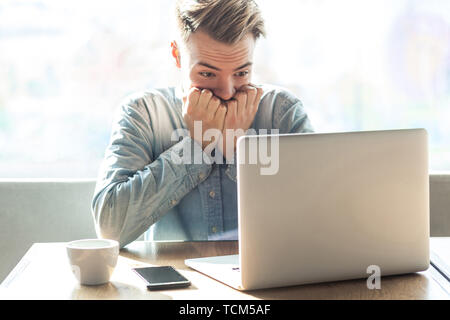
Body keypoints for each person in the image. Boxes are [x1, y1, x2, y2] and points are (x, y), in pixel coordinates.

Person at [92, 0, 314, 248]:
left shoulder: (281, 112)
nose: (228, 92)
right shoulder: (143, 114)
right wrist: (198, 146)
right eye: (207, 74)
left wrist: (237, 149)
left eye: (241, 73)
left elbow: (316, 218)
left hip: (270, 282)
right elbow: (110, 228)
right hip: (175, 282)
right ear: (177, 55)